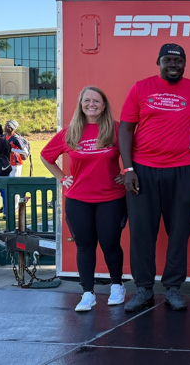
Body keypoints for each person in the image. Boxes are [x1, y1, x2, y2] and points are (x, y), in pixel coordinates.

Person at [120, 43, 190, 312]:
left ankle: (173, 288)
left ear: (185, 64)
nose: (173, 64)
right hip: (143, 171)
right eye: (167, 60)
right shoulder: (141, 88)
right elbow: (126, 130)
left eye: (178, 60)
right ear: (158, 61)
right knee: (141, 233)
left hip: (184, 171)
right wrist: (128, 169)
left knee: (178, 233)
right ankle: (144, 289)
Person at [40, 86, 127, 312]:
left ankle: (117, 286)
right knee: (85, 246)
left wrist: (125, 174)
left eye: (96, 101)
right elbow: (46, 156)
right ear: (81, 104)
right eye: (87, 100)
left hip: (111, 198)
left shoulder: (116, 130)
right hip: (79, 199)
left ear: (104, 105)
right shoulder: (71, 132)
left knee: (109, 244)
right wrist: (62, 178)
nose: (92, 104)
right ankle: (87, 293)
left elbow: (136, 154)